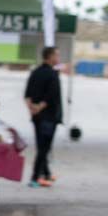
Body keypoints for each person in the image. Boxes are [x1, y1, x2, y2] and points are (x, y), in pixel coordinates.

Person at [24, 45, 62, 188]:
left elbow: (27, 94)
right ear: (50, 57)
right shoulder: (53, 75)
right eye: (57, 55)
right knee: (44, 148)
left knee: (42, 145)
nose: (58, 58)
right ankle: (35, 178)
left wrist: (32, 109)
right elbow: (51, 97)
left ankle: (46, 174)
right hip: (49, 117)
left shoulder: (35, 72)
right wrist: (40, 107)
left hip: (36, 117)